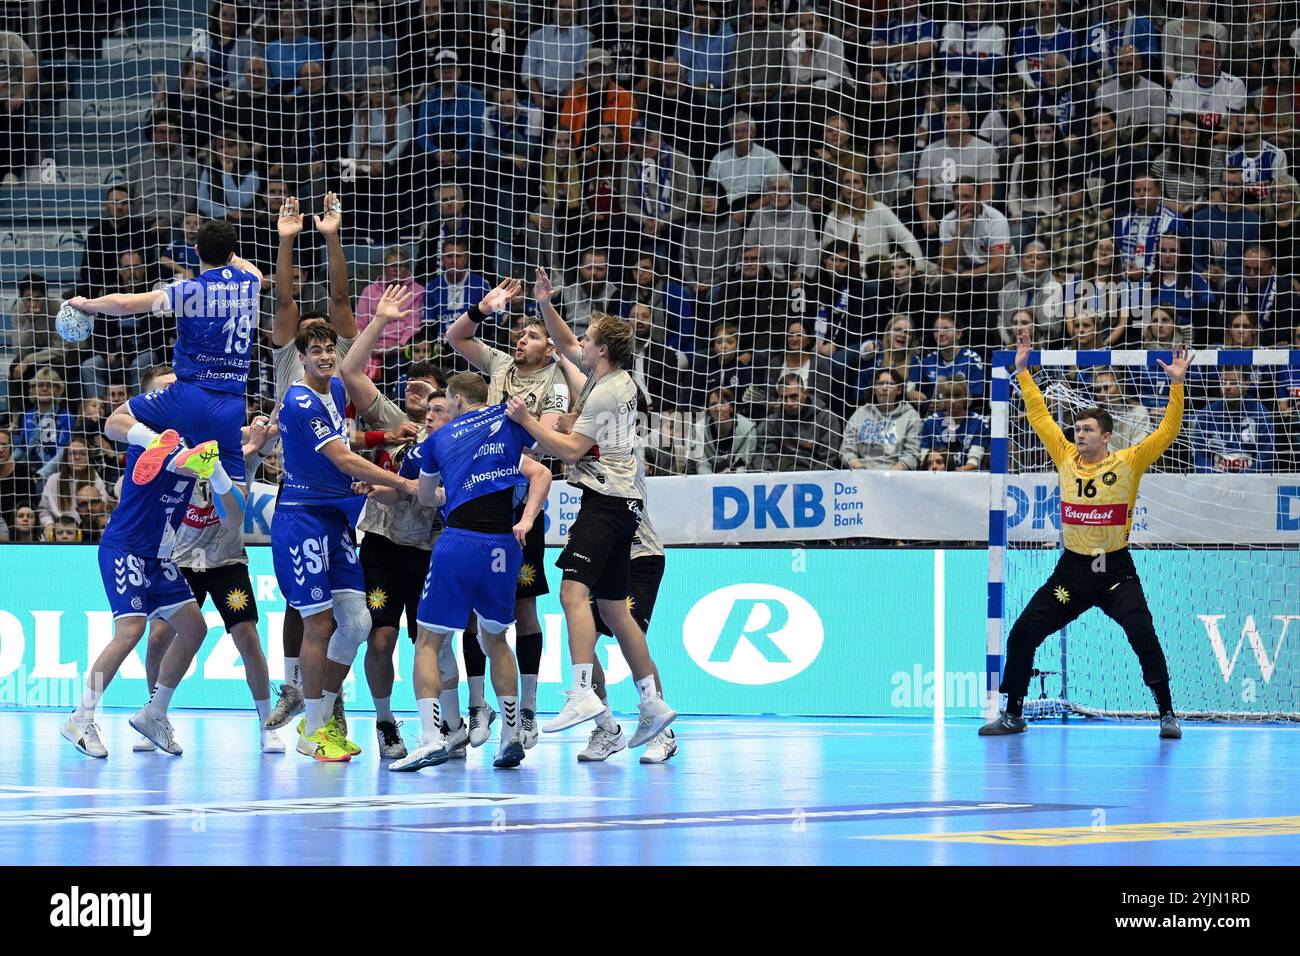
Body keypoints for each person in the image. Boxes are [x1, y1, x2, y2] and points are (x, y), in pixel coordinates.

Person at [982, 330, 1191, 739]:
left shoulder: (1130, 461)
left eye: (1088, 429)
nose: (1079, 434)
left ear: (1106, 435)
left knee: (1142, 632)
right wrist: (1023, 374)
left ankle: (1167, 712)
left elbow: (1167, 431)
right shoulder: (1065, 456)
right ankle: (1013, 713)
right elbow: (1041, 418)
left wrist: (1177, 385)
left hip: (1116, 573)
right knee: (1023, 632)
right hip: (1072, 575)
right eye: (1077, 428)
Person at [505, 309, 677, 749]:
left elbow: (571, 449)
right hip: (624, 504)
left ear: (602, 350)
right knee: (616, 612)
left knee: (571, 594)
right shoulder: (615, 382)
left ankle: (582, 692)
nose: (579, 342)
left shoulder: (602, 392)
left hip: (604, 503)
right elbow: (564, 346)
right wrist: (545, 303)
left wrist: (527, 420)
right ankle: (652, 704)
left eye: (587, 338)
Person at [389, 371, 552, 772]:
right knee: (497, 640)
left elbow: (426, 500)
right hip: (504, 547)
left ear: (457, 402)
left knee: (428, 640)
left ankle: (431, 739)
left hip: (459, 542)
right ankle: (511, 735)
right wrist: (528, 519)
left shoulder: (440, 439)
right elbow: (542, 468)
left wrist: (443, 489)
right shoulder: (508, 421)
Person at [271, 320, 417, 762]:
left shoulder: (334, 390)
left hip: (335, 520)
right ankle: (314, 729)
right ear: (301, 358)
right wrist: (403, 484)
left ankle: (319, 717)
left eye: (328, 348)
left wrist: (382, 436)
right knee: (318, 624)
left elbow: (345, 438)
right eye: (314, 350)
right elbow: (342, 457)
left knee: (357, 623)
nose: (323, 356)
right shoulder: (298, 400)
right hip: (302, 519)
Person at [131, 366, 282, 754]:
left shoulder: (224, 439)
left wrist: (263, 429)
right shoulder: (159, 448)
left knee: (248, 638)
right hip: (179, 559)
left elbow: (258, 437)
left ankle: (267, 725)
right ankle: (155, 716)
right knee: (159, 638)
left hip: (226, 559)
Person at [446, 274, 568, 749]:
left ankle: (531, 709)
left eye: (533, 334)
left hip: (518, 501)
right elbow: (455, 338)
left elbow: (548, 437)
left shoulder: (556, 380)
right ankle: (480, 708)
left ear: (549, 347)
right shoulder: (497, 364)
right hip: (477, 500)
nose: (521, 338)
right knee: (473, 613)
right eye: (518, 332)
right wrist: (481, 307)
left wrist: (520, 421)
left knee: (524, 608)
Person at [60, 422, 231, 758]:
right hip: (124, 548)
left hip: (159, 556)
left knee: (195, 628)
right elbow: (174, 458)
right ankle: (81, 717)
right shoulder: (147, 444)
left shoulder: (192, 443)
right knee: (131, 630)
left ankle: (155, 713)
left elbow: (207, 461)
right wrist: (203, 454)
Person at [340, 285, 452, 760]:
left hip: (431, 549)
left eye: (425, 390)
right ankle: (385, 721)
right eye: (410, 385)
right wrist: (381, 321)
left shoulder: (453, 434)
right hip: (383, 544)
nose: (414, 393)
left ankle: (449, 723)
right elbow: (349, 371)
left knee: (435, 641)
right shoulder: (389, 416)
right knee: (380, 636)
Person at [70, 219, 262, 492]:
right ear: (232, 253)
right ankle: (216, 476)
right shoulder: (250, 283)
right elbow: (255, 272)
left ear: (195, 250)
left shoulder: (189, 289)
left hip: (188, 395)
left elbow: (126, 304)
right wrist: (229, 252)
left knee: (114, 423)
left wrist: (86, 304)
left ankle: (162, 446)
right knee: (234, 508)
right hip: (231, 404)